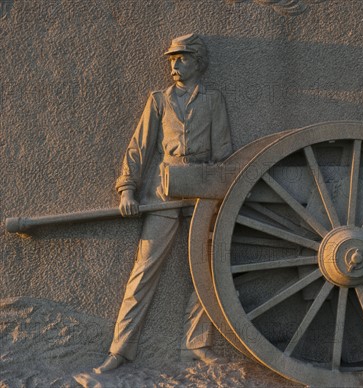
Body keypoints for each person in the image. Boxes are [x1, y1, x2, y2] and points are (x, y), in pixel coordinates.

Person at [94, 33, 232, 373]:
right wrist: (128, 189)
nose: (175, 65)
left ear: (198, 62)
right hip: (163, 191)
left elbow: (224, 152)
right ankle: (121, 350)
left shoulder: (214, 100)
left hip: (201, 189)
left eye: (182, 58)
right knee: (144, 270)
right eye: (172, 59)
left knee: (208, 269)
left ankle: (197, 344)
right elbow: (138, 149)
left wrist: (213, 184)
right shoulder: (158, 100)